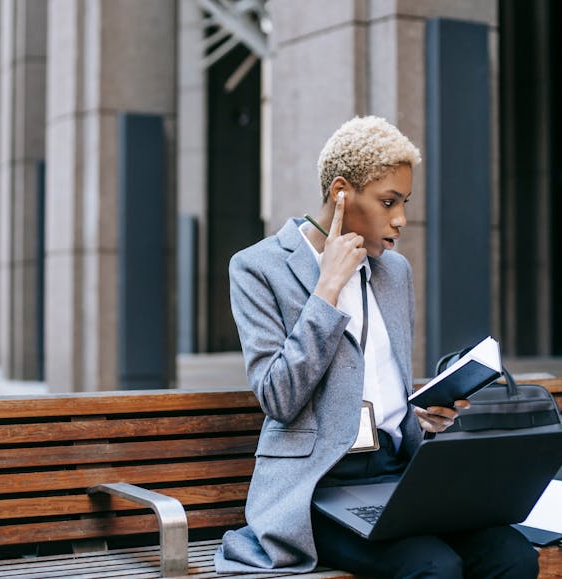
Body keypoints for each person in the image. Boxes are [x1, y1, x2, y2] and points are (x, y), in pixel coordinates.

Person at [215, 116, 538, 578]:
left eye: (404, 202)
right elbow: (278, 398)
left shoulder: (394, 272)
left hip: (397, 475)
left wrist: (420, 417)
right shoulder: (259, 268)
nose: (401, 219)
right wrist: (326, 291)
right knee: (434, 567)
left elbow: (381, 385)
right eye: (389, 202)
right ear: (341, 193)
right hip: (318, 488)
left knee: (512, 555)